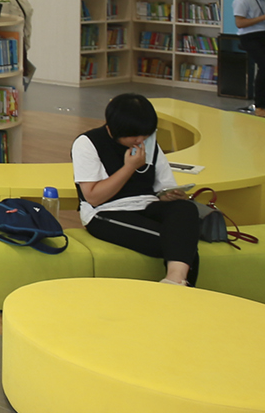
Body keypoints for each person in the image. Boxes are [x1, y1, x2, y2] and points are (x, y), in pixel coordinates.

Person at [72, 94, 200, 286]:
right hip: (106, 211)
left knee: (186, 208)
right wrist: (129, 167)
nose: (141, 140)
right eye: (134, 135)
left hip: (147, 205)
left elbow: (162, 187)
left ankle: (174, 280)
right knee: (183, 248)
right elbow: (93, 197)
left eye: (146, 134)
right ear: (114, 128)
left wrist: (170, 195)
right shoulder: (87, 143)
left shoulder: (149, 143)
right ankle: (177, 285)